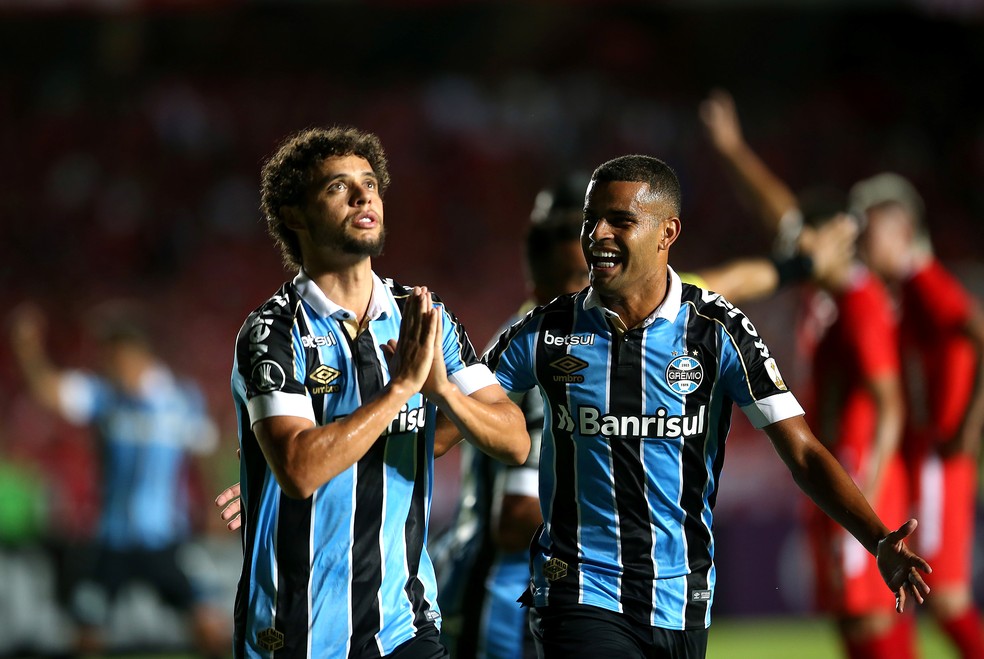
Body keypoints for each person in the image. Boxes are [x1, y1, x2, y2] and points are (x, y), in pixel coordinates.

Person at [482, 154, 931, 658]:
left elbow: (802, 451)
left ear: (666, 232)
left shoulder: (717, 330)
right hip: (577, 590)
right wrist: (408, 397)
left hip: (680, 602)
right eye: (592, 219)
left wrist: (878, 541)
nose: (597, 234)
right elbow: (453, 416)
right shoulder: (546, 330)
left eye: (620, 220)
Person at [227, 125, 529, 659]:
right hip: (296, 632)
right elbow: (298, 470)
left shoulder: (424, 316)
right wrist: (400, 392)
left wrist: (442, 393)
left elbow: (513, 439)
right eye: (338, 187)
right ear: (294, 214)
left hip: (403, 623)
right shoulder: (273, 331)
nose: (364, 195)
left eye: (370, 183)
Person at [8, 302, 228, 658]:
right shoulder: (104, 397)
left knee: (209, 625)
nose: (111, 366)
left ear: (139, 355)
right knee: (87, 633)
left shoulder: (182, 401)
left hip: (165, 540)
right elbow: (50, 393)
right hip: (111, 541)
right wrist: (28, 349)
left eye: (116, 357)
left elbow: (203, 455)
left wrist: (213, 509)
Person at [432, 180, 589, 659]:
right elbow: (518, 516)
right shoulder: (556, 358)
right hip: (508, 600)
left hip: (472, 577)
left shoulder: (512, 343)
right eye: (581, 281)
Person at [850, 172, 984, 659]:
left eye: (871, 231)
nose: (864, 243)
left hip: (938, 454)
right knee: (909, 587)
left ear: (900, 229)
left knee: (946, 596)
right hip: (925, 452)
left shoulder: (925, 281)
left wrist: (968, 425)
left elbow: (979, 332)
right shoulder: (903, 289)